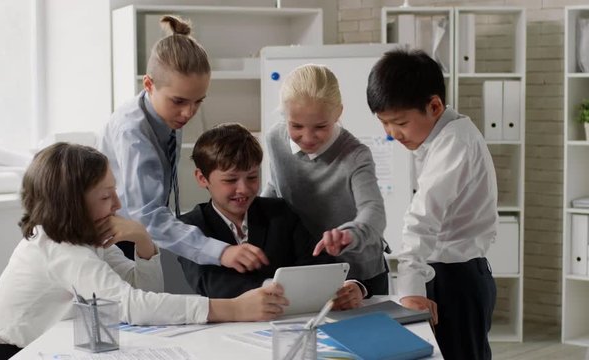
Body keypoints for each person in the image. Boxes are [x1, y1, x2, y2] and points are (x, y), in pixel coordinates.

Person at [0, 143, 288, 360]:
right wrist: (233, 309)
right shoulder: (59, 247)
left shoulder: (87, 236)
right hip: (14, 352)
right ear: (73, 203)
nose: (116, 205)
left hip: (49, 344)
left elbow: (142, 290)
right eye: (105, 196)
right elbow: (131, 305)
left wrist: (144, 242)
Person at [99, 15, 267, 273]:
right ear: (148, 84)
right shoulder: (132, 132)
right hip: (112, 237)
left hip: (136, 232)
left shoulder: (166, 115)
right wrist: (220, 251)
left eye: (198, 101)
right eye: (179, 101)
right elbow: (147, 215)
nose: (189, 113)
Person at [366, 48, 497, 360]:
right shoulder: (437, 138)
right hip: (443, 271)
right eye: (384, 123)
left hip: (457, 278)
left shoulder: (455, 143)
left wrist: (410, 289)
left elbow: (421, 219)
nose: (392, 134)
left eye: (399, 122)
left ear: (435, 106)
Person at [178, 123, 364, 310]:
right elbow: (212, 285)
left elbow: (317, 264)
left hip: (290, 321)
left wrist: (351, 286)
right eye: (230, 180)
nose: (243, 189)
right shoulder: (190, 227)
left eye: (252, 177)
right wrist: (276, 289)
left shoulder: (280, 213)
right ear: (202, 178)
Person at [262, 64, 389, 298]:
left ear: (338, 112)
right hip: (307, 267)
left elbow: (374, 211)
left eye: (320, 127)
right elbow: (275, 187)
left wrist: (349, 234)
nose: (308, 138)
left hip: (360, 273)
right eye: (296, 126)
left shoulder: (355, 155)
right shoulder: (274, 139)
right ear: (284, 115)